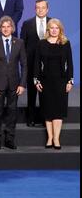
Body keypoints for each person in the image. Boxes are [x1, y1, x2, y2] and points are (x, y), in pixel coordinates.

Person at [0, 16, 27, 150]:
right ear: (0, 28)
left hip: (14, 84)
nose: (5, 29)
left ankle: (10, 139)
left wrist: (22, 84)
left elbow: (24, 65)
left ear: (12, 28)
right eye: (3, 27)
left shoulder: (19, 43)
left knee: (12, 112)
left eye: (8, 26)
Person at [34, 19, 73, 150]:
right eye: (52, 28)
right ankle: (49, 137)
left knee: (58, 111)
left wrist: (70, 80)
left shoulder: (65, 43)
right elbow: (36, 64)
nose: (54, 30)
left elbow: (70, 64)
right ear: (48, 30)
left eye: (57, 28)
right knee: (48, 110)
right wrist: (36, 80)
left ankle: (56, 138)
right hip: (45, 81)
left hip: (61, 81)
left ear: (60, 30)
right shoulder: (41, 44)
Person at [21, 0, 52, 127]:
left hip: (49, 65)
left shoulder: (53, 23)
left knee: (47, 93)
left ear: (47, 9)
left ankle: (46, 118)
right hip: (31, 63)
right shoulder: (27, 24)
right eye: (38, 7)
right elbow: (22, 45)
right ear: (35, 9)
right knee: (32, 93)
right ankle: (31, 118)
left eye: (43, 7)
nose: (40, 10)